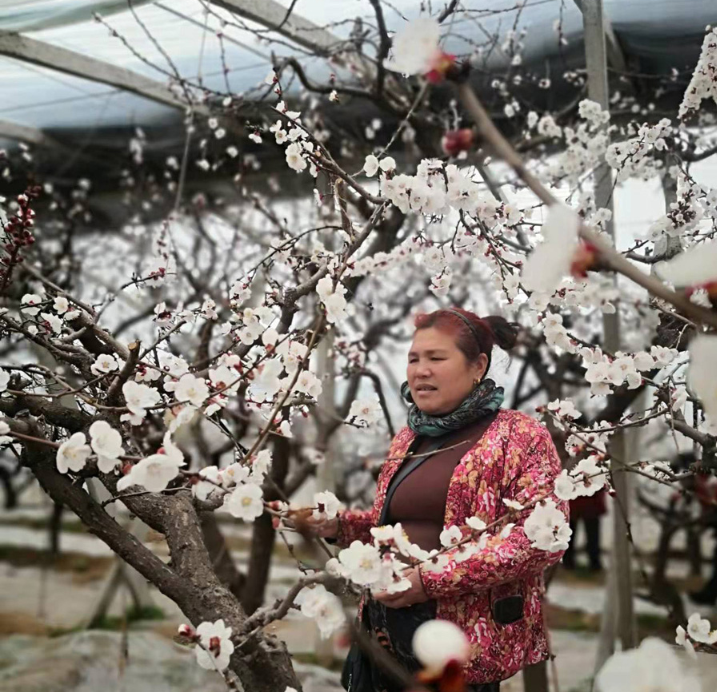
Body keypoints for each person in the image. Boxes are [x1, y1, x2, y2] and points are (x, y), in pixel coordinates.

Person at [303, 308, 568, 692]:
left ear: (478, 366)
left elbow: (541, 539)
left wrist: (429, 581)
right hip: (382, 629)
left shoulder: (520, 436)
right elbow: (393, 528)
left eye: (436, 358)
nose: (420, 370)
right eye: (413, 359)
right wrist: (339, 526)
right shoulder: (410, 437)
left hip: (456, 645)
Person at [562, 490, 606, 572]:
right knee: (569, 534)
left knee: (591, 534)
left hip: (588, 501)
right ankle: (568, 562)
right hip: (577, 500)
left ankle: (594, 563)